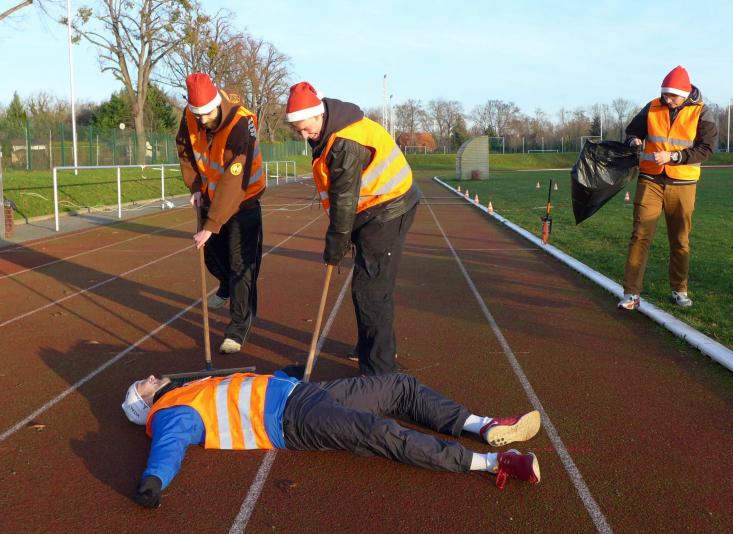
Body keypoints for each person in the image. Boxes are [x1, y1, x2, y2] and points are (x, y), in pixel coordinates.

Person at [122, 370, 543, 508]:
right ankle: (493, 462)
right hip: (293, 420)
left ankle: (482, 425)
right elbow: (169, 448)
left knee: (399, 386)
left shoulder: (187, 388)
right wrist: (154, 480)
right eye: (145, 384)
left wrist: (284, 375)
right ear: (145, 405)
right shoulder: (171, 413)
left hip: (303, 392)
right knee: (380, 433)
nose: (152, 377)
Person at [285, 82, 420, 376]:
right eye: (298, 131)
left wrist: (334, 247)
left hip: (389, 207)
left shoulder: (345, 143)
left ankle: (380, 374)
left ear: (319, 114)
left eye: (306, 128)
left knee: (371, 289)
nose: (304, 136)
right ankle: (372, 348)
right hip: (371, 208)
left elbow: (344, 202)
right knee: (369, 285)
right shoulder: (330, 129)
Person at [176, 73, 266, 353]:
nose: (203, 120)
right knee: (212, 256)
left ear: (217, 104)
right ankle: (226, 285)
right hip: (210, 196)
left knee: (242, 267)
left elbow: (234, 180)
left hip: (243, 200)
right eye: (198, 115)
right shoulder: (191, 116)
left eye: (207, 114)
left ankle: (237, 330)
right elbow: (185, 149)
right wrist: (194, 186)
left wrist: (211, 224)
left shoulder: (241, 124)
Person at [618, 66, 718, 311]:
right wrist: (634, 140)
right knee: (640, 236)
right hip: (650, 180)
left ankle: (679, 289)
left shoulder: (702, 112)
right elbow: (632, 131)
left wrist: (674, 157)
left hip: (683, 183)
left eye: (672, 96)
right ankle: (631, 293)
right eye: (664, 94)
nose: (667, 99)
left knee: (680, 239)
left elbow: (706, 148)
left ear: (684, 94)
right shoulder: (652, 106)